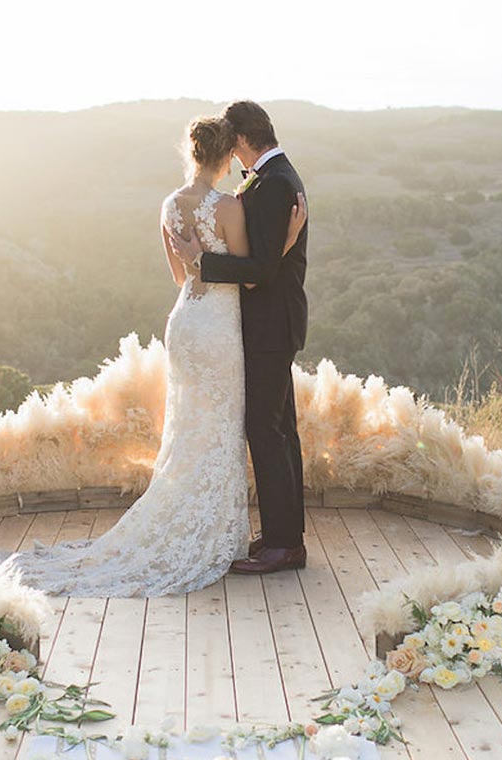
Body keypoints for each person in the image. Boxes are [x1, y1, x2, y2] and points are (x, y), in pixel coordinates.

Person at [0, 113, 306, 596]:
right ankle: (229, 531)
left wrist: (201, 259)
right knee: (229, 428)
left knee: (194, 427)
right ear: (224, 151)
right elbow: (254, 274)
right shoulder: (231, 207)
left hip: (186, 322)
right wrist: (287, 243)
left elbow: (181, 277)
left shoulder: (170, 206)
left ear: (192, 151)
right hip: (219, 329)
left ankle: (235, 531)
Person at [168, 100, 309, 575]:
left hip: (269, 325)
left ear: (244, 141)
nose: (231, 152)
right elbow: (269, 258)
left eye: (233, 143)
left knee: (265, 429)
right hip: (268, 323)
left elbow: (262, 270)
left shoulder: (273, 184)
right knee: (279, 428)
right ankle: (284, 536)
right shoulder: (271, 178)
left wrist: (201, 261)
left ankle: (284, 545)